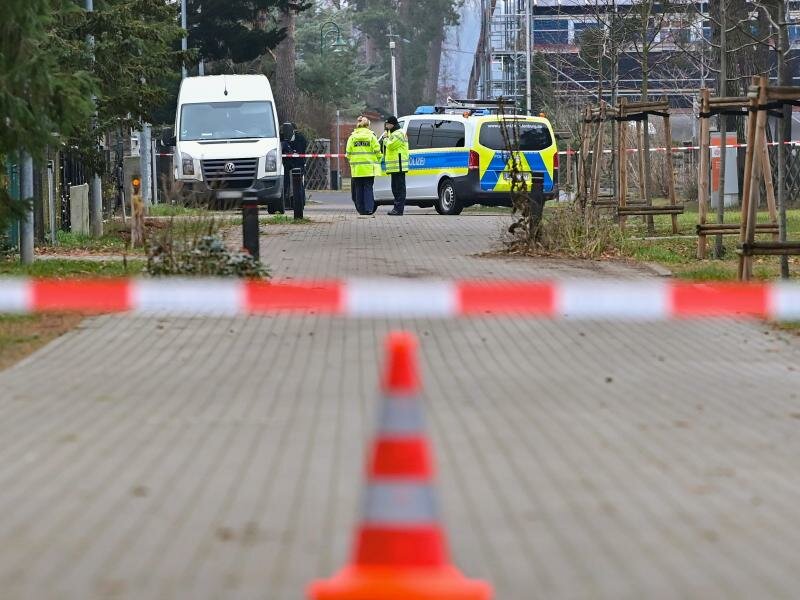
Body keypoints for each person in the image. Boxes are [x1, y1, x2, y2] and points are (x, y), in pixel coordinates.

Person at [345, 116, 382, 215]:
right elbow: (378, 151)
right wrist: (379, 159)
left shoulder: (352, 137)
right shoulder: (371, 136)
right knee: (368, 188)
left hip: (357, 168)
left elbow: (348, 153)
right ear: (368, 125)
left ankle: (361, 209)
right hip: (369, 168)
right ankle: (369, 209)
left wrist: (353, 161)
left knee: (358, 189)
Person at [381, 116, 409, 215]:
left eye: (388, 124)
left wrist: (385, 139)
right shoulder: (392, 133)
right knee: (395, 188)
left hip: (399, 165)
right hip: (395, 166)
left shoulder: (399, 133)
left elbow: (391, 145)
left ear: (392, 124)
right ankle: (396, 208)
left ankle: (399, 209)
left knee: (399, 189)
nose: (386, 126)